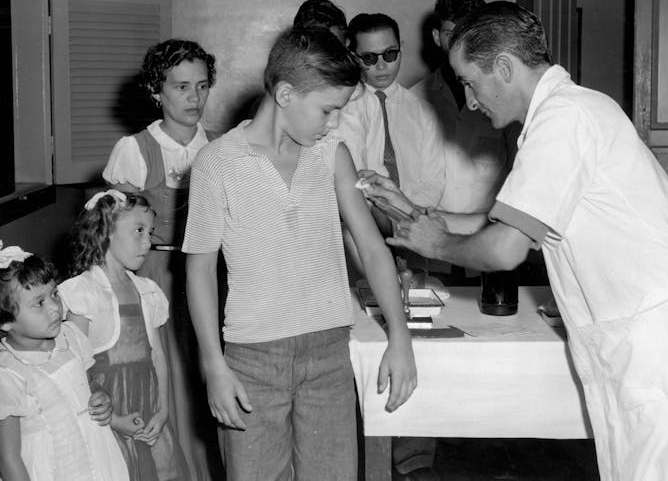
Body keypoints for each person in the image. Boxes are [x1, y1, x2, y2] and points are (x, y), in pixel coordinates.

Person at [363, 1, 668, 481]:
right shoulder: (566, 113)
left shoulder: (565, 118)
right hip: (667, 334)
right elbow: (509, 222)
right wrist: (412, 210)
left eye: (469, 81)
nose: (468, 99)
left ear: (504, 68)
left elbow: (506, 247)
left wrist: (437, 246)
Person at [183, 27, 417, 480]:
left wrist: (400, 335)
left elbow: (370, 247)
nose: (332, 123)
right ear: (286, 93)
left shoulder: (332, 154)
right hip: (250, 360)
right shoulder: (217, 162)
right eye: (328, 110)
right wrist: (213, 363)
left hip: (328, 354)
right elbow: (199, 271)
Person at [102, 38, 220, 479]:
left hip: (211, 274)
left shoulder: (221, 148)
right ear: (156, 90)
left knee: (210, 375)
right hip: (156, 276)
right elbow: (115, 236)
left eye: (203, 86)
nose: (194, 98)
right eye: (181, 87)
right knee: (170, 382)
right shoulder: (135, 150)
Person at [59, 190, 190, 481]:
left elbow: (158, 355)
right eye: (138, 231)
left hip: (147, 413)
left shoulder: (146, 290)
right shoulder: (84, 292)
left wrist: (163, 411)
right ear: (105, 232)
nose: (148, 242)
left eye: (151, 233)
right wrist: (115, 420)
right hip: (107, 417)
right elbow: (75, 368)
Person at [0, 242, 128, 481]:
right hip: (54, 470)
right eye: (39, 303)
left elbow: (88, 383)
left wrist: (101, 395)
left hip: (98, 458)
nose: (55, 307)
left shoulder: (70, 337)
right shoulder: (7, 373)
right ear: (6, 322)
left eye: (54, 294)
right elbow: (8, 458)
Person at [412, 0, 519, 215]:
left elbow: (518, 166)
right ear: (435, 37)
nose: (460, 43)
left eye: (468, 33)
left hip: (489, 228)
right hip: (433, 225)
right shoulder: (415, 98)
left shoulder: (505, 101)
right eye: (451, 34)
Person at [343, 13, 445, 211]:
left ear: (401, 47)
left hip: (416, 220)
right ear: (353, 56)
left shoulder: (424, 112)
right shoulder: (342, 109)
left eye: (390, 54)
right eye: (369, 58)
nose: (381, 66)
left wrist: (407, 214)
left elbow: (434, 182)